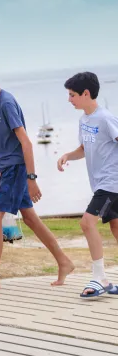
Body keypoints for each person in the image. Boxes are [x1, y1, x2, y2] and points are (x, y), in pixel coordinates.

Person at [0, 61, 74, 292]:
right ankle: (64, 261)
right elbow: (5, 145)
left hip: (17, 170)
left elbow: (26, 143)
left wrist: (31, 178)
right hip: (7, 170)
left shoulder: (6, 103)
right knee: (30, 218)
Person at [57, 72, 118, 298]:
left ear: (86, 93)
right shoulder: (84, 120)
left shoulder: (106, 118)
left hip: (111, 183)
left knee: (87, 223)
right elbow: (83, 149)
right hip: (101, 183)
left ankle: (99, 277)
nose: (69, 99)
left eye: (72, 95)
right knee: (116, 228)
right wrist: (66, 156)